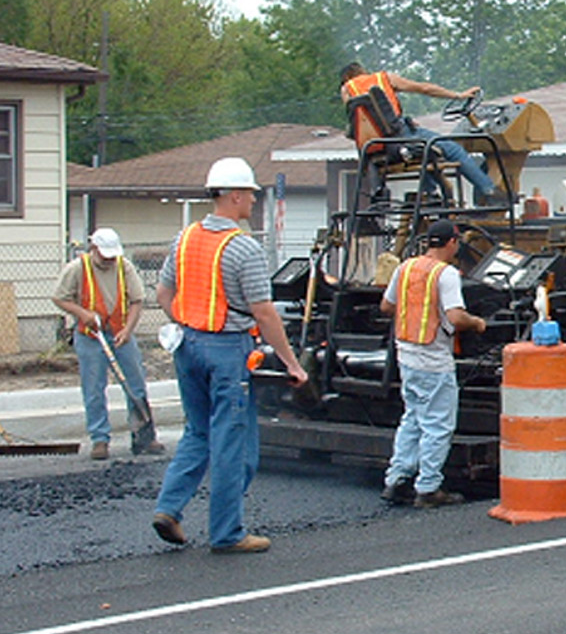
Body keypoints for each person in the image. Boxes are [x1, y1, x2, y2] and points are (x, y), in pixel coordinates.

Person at [151, 157, 309, 554]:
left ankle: (169, 508)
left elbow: (164, 294)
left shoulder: (185, 238)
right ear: (234, 195)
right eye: (251, 194)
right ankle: (227, 533)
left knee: (197, 431)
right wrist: (292, 363)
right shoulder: (243, 248)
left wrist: (188, 324)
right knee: (231, 442)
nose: (254, 200)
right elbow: (264, 312)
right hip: (226, 350)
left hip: (187, 346)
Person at [379, 220, 487, 508]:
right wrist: (477, 323)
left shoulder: (406, 267)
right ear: (452, 242)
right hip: (434, 360)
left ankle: (396, 479)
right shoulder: (446, 274)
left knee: (412, 418)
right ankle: (428, 488)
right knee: (438, 424)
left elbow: (386, 306)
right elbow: (455, 317)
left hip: (407, 356)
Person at [51, 228, 163, 460]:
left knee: (136, 385)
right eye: (105, 255)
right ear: (93, 249)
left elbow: (137, 300)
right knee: (94, 388)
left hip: (121, 335)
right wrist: (82, 313)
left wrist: (128, 330)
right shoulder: (77, 269)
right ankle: (99, 439)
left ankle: (144, 435)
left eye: (112, 255)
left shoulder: (124, 267)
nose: (109, 260)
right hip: (90, 337)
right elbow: (59, 297)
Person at [339, 62, 501, 204]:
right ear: (363, 71)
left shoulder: (347, 90)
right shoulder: (383, 78)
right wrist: (458, 95)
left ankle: (429, 193)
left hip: (377, 149)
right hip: (401, 137)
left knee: (427, 154)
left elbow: (357, 125)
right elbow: (424, 88)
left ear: (346, 77)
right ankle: (490, 190)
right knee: (453, 149)